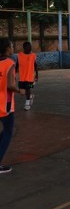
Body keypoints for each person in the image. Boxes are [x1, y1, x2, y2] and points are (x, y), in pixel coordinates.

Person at [0, 38, 24, 174]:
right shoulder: (10, 63)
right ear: (7, 49)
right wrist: (19, 90)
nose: (13, 47)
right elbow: (10, 85)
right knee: (8, 132)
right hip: (5, 103)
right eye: (11, 45)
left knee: (5, 131)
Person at [16, 41, 38, 111]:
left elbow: (35, 65)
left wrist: (37, 75)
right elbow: (17, 65)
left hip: (30, 77)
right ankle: (30, 96)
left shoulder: (33, 55)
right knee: (22, 92)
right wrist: (13, 74)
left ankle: (27, 103)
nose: (30, 48)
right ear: (24, 48)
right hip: (22, 77)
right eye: (28, 47)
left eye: (30, 47)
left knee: (28, 89)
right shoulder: (19, 55)